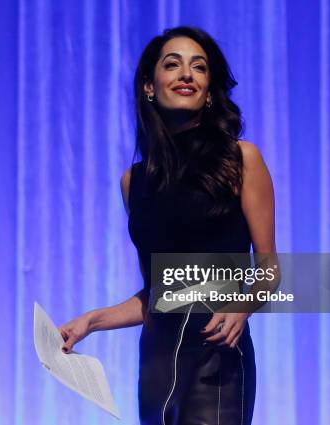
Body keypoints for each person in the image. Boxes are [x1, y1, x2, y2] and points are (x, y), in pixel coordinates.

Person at [59, 26, 276, 425]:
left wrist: (241, 306)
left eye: (199, 67)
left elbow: (269, 272)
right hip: (157, 361)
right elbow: (161, 293)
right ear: (149, 86)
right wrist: (92, 321)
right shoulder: (134, 182)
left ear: (210, 92)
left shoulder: (241, 160)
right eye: (172, 64)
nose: (186, 74)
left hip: (217, 353)